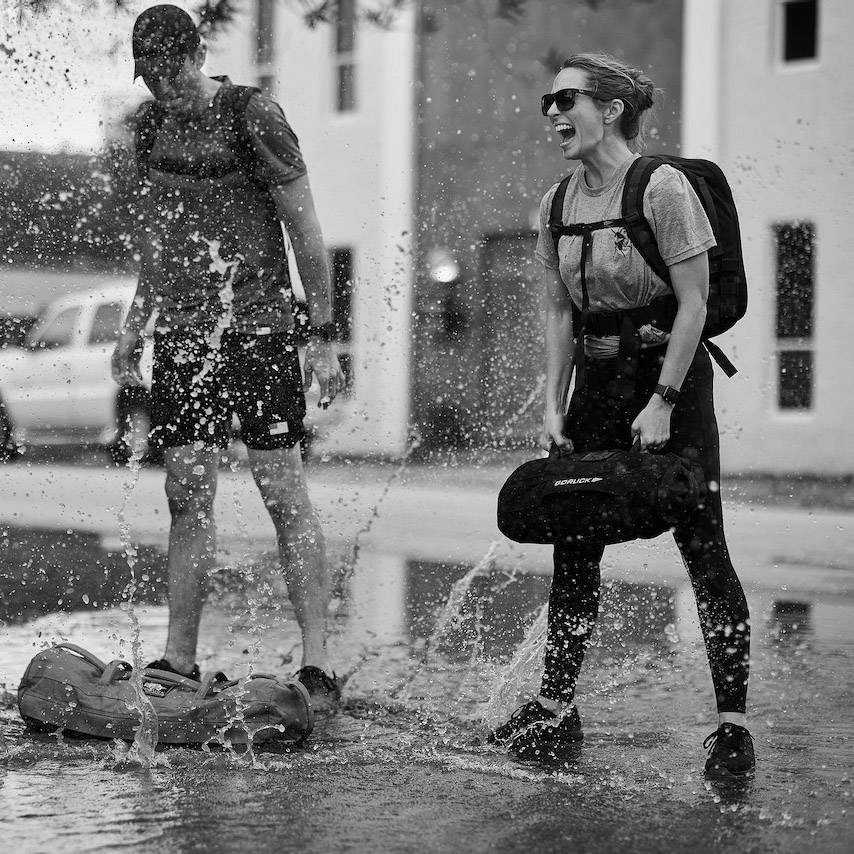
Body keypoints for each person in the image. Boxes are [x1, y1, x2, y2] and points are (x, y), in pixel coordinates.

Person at [489, 53, 753, 778]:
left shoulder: (663, 188)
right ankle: (554, 710)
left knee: (704, 548)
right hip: (597, 382)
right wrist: (551, 398)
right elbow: (557, 310)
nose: (551, 114)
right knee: (575, 545)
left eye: (564, 100)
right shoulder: (555, 203)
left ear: (608, 107)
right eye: (547, 101)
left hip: (670, 375)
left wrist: (664, 401)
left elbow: (695, 302)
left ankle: (731, 724)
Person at [111, 5, 344, 708]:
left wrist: (323, 333)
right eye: (146, 75)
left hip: (261, 328)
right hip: (185, 335)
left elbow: (305, 227)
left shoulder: (253, 116)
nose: (160, 88)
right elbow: (158, 237)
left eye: (168, 71)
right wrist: (134, 323)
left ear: (195, 54)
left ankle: (318, 664)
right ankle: (180, 659)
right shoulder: (149, 128)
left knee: (280, 491)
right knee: (185, 494)